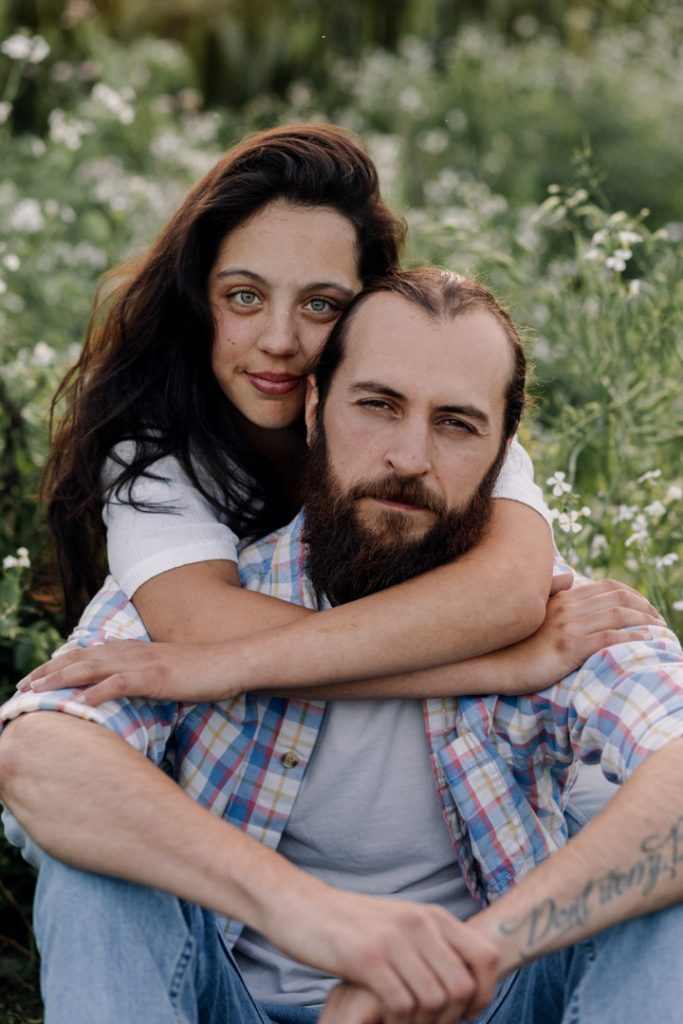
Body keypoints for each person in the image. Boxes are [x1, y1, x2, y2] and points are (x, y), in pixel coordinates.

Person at [2, 269, 681, 1024]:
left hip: (492, 998)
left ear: (504, 453)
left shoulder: (562, 615)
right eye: (377, 405)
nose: (409, 457)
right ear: (315, 407)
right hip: (228, 1001)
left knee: (662, 888)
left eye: (456, 424)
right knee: (96, 865)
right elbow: (38, 752)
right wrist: (319, 919)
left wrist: (478, 953)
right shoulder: (198, 596)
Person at [42, 121, 558, 704]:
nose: (279, 341)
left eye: (321, 304)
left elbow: (508, 593)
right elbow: (196, 627)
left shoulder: (438, 425)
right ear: (197, 299)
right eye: (245, 296)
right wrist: (505, 667)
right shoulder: (155, 451)